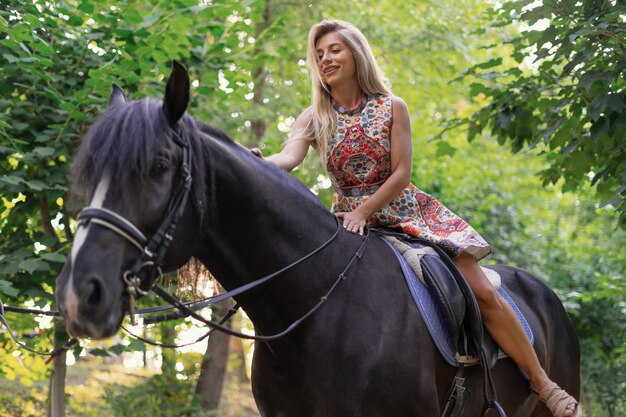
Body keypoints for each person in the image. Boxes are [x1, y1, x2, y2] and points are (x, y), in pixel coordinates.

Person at [253, 19, 581, 417]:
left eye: (334, 50)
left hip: (406, 215)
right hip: (346, 224)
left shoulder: (392, 107)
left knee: (480, 289)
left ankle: (542, 382)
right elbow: (287, 159)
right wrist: (254, 162)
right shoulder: (312, 117)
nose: (325, 59)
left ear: (356, 54)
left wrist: (364, 210)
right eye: (319, 54)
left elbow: (401, 173)